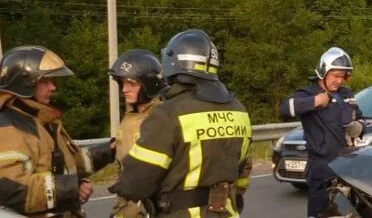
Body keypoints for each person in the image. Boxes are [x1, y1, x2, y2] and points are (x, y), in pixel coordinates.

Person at [112, 29, 252, 217]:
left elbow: (135, 184)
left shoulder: (167, 114)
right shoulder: (239, 110)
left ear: (172, 62)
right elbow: (243, 172)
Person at [0, 46, 100, 217]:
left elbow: (63, 165)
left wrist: (109, 151)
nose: (53, 87)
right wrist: (70, 188)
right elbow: (10, 189)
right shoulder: (9, 128)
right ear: (25, 84)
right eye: (45, 81)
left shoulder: (43, 121)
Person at [278, 47, 360, 218]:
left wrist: (359, 126)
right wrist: (315, 101)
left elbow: (358, 116)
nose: (339, 81)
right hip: (321, 168)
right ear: (323, 72)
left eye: (342, 76)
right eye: (335, 76)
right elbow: (284, 109)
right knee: (319, 214)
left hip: (346, 167)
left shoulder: (346, 93)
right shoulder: (308, 92)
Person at [108, 49, 168, 218]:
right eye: (122, 83)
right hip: (127, 207)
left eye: (131, 83)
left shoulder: (161, 119)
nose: (124, 89)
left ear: (148, 84)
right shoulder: (131, 117)